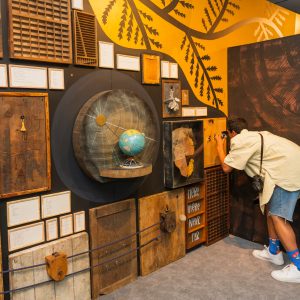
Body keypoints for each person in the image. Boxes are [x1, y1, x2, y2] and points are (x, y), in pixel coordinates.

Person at [215, 117, 300, 283]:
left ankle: (298, 267)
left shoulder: (239, 140)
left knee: (278, 217)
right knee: (270, 209)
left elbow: (226, 167)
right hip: (289, 167)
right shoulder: (253, 136)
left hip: (287, 172)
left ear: (231, 132)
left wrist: (218, 143)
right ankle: (274, 252)